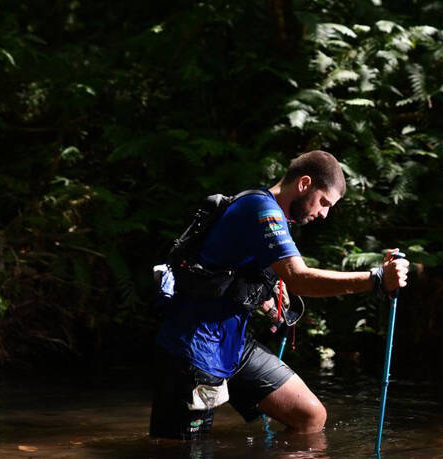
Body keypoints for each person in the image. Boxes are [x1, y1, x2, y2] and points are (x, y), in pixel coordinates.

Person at [150, 150, 409, 439]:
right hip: (194, 350)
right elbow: (299, 278)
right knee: (178, 450)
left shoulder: (275, 215)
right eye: (324, 202)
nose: (324, 213)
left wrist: (267, 298)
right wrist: (375, 280)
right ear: (304, 184)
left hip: (233, 346)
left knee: (310, 416)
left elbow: (230, 272)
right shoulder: (263, 210)